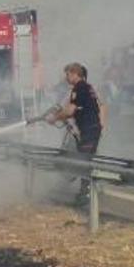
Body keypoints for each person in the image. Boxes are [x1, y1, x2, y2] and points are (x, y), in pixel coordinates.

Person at [46, 62, 106, 200]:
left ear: (74, 74)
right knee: (85, 159)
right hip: (89, 129)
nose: (66, 78)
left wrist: (54, 118)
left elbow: (69, 110)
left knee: (85, 161)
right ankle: (88, 189)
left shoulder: (79, 88)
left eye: (67, 74)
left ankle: (87, 192)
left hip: (89, 129)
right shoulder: (87, 87)